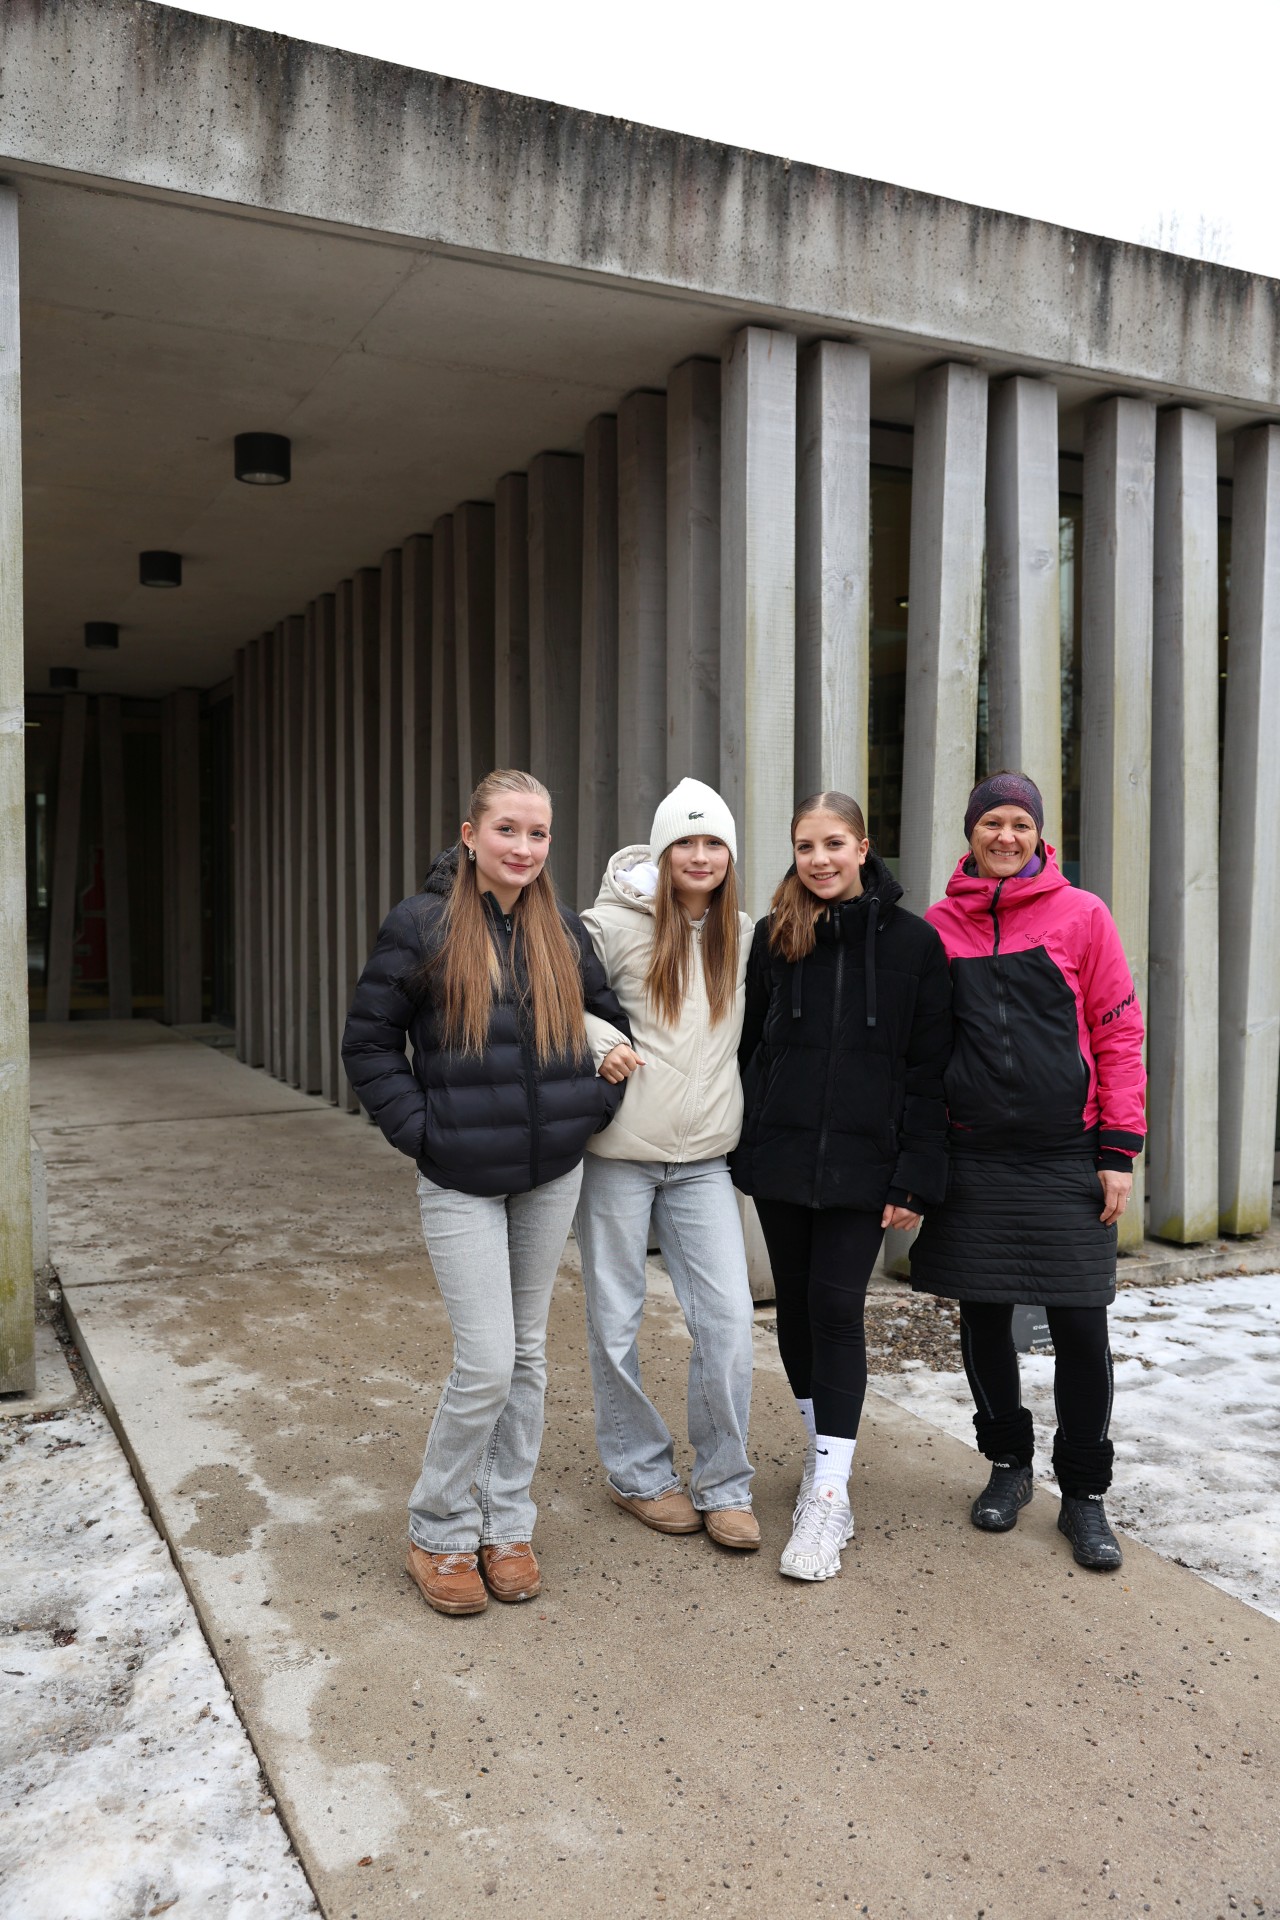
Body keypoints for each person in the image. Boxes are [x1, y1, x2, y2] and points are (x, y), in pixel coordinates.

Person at [342, 769, 630, 1618]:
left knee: (529, 1356)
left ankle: (506, 1524)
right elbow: (368, 1045)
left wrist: (592, 1107)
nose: (523, 848)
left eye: (538, 833)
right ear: (469, 836)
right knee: (486, 1363)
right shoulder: (422, 926)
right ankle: (438, 1528)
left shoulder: (563, 929)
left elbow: (610, 1025)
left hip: (549, 1175)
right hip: (461, 1178)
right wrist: (424, 1133)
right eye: (507, 829)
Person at [909, 770, 1146, 1572]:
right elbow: (923, 1052)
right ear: (971, 834)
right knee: (983, 1317)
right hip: (974, 1156)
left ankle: (1084, 1492)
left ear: (1039, 835)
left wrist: (1118, 1151)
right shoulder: (939, 926)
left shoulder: (1083, 915)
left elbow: (1118, 1032)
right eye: (991, 824)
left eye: (1019, 824)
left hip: (1065, 1154)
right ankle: (1008, 1464)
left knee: (1080, 1323)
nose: (1005, 837)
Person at [734, 792, 953, 1582]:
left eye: (833, 844)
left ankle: (829, 1496)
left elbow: (929, 1072)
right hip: (783, 1160)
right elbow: (750, 1049)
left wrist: (916, 1176)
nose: (819, 859)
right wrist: (749, 1142)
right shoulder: (775, 936)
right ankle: (824, 1456)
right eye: (805, 846)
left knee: (835, 1308)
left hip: (867, 1168)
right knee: (794, 1310)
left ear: (863, 848)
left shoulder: (915, 945)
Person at [573, 778, 759, 1549]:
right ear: (661, 851)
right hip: (619, 1156)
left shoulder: (742, 934)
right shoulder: (609, 926)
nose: (700, 855)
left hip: (705, 1162)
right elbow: (549, 992)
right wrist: (599, 1040)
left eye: (714, 842)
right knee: (614, 1322)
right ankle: (639, 1474)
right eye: (685, 841)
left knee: (729, 1322)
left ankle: (724, 1484)